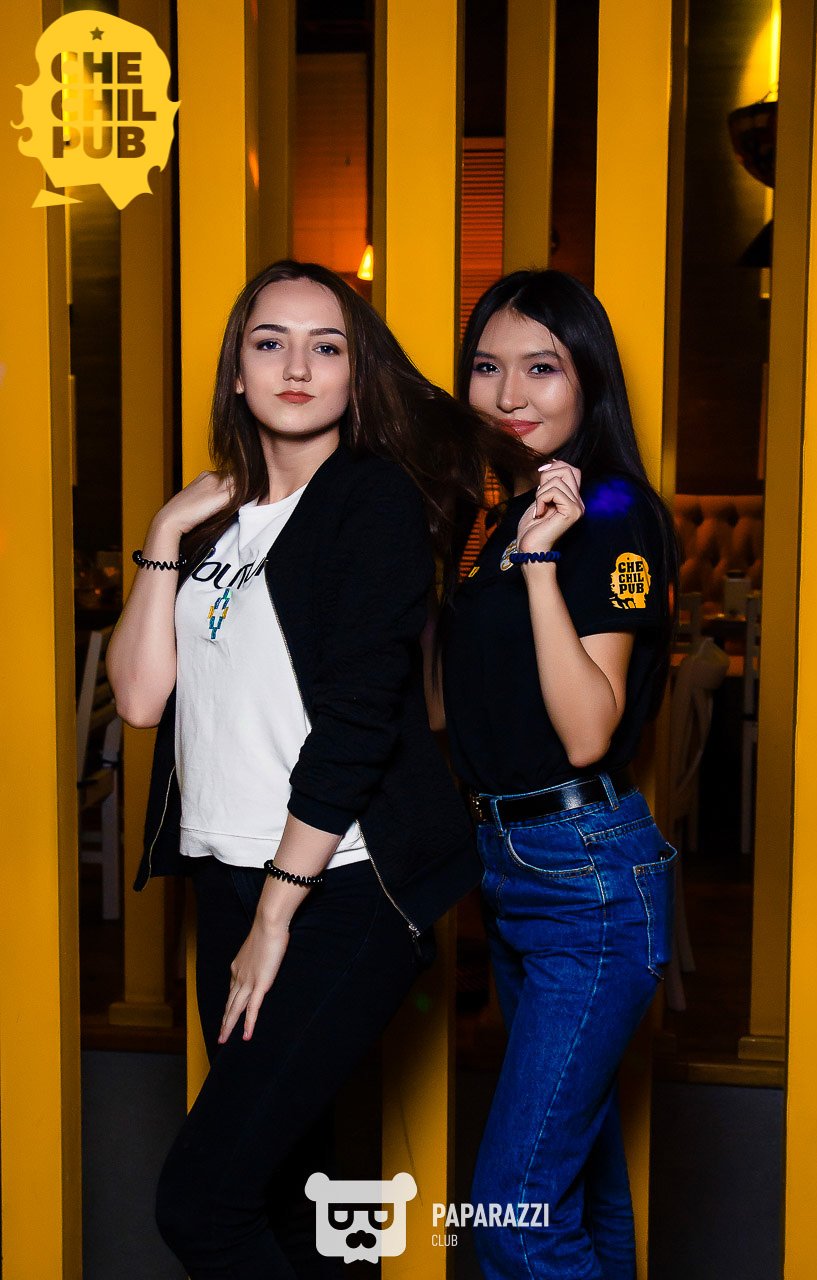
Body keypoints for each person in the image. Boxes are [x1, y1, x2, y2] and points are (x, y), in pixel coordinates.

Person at [106, 259, 527, 1279]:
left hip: (338, 889)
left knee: (202, 1203)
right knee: (284, 1191)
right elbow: (140, 698)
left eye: (324, 346)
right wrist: (164, 532)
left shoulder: (370, 501)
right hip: (228, 876)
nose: (296, 367)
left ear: (354, 373)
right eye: (271, 343)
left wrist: (274, 917)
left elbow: (355, 726)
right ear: (236, 371)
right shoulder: (214, 523)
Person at [440, 269, 680, 1279]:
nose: (508, 394)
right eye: (486, 367)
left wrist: (540, 564)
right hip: (517, 864)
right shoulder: (506, 515)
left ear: (588, 378)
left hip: (583, 875)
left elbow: (586, 731)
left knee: (513, 1215)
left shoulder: (608, 509)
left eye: (540, 367)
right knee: (575, 1185)